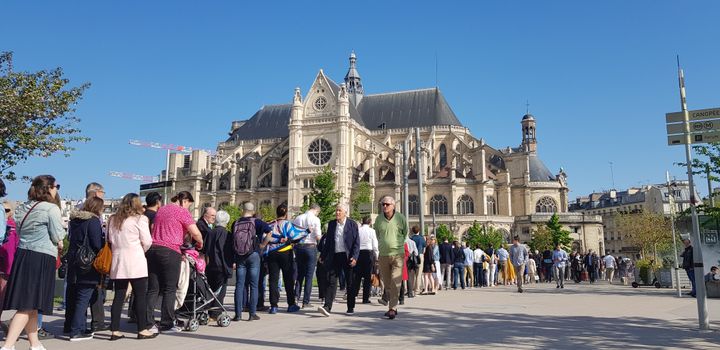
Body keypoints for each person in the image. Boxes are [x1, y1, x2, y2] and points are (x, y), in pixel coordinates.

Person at [1, 175, 66, 350]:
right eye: (56, 186)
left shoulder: (23, 207)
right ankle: (8, 345)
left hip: (23, 255)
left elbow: (19, 230)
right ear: (49, 188)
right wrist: (61, 240)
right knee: (28, 304)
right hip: (41, 256)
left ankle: (35, 343)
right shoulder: (51, 208)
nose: (57, 189)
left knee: (33, 303)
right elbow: (58, 235)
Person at [145, 191, 203, 333]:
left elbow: (153, 228)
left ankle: (147, 323)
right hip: (170, 251)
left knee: (153, 288)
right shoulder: (182, 212)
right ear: (184, 201)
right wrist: (200, 242)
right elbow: (195, 232)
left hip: (152, 249)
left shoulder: (162, 209)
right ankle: (166, 323)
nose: (188, 208)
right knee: (170, 288)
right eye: (189, 204)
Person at [107, 193, 156, 340]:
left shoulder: (113, 219)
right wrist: (140, 249)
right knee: (140, 296)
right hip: (135, 259)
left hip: (118, 260)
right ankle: (142, 329)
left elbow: (109, 239)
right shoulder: (140, 219)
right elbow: (147, 241)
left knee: (119, 296)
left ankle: (114, 330)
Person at [64, 197, 104, 341]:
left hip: (74, 260)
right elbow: (97, 243)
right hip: (87, 263)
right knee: (84, 297)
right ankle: (76, 331)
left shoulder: (75, 220)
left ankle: (76, 326)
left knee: (75, 296)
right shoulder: (93, 221)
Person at [232, 202, 272, 321]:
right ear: (253, 210)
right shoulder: (257, 222)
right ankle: (252, 314)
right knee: (254, 285)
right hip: (254, 254)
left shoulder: (236, 222)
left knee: (239, 285)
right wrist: (263, 245)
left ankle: (238, 314)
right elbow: (270, 232)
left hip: (240, 256)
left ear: (242, 210)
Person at [318, 204, 359, 316]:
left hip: (347, 256)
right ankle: (327, 306)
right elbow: (328, 243)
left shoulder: (352, 224)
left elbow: (356, 243)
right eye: (336, 210)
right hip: (334, 256)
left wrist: (354, 257)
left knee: (350, 282)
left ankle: (350, 307)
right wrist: (322, 256)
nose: (337, 213)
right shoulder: (331, 224)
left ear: (345, 212)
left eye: (339, 211)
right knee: (330, 280)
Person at [262, 204, 301, 314]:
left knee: (273, 279)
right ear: (286, 214)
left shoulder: (270, 224)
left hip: (272, 253)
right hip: (285, 252)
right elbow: (295, 236)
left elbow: (264, 236)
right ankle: (291, 304)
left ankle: (273, 305)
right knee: (288, 278)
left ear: (277, 213)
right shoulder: (287, 224)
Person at [374, 196, 407, 320]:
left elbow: (405, 233)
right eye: (383, 204)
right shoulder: (378, 219)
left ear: (393, 205)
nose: (384, 206)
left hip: (398, 254)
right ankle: (392, 305)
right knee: (387, 283)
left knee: (395, 280)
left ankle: (392, 308)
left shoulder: (400, 218)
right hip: (383, 254)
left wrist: (397, 244)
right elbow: (377, 234)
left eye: (387, 204)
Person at [292, 204, 322, 309]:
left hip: (299, 247)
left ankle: (296, 297)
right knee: (309, 275)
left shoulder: (298, 218)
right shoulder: (316, 219)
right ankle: (306, 301)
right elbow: (318, 237)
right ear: (316, 210)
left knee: (300, 274)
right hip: (310, 246)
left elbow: (293, 234)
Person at [0, 202, 19, 330]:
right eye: (4, 210)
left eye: (7, 210)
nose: (5, 213)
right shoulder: (12, 228)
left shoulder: (13, 228)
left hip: (6, 265)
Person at [355, 216, 378, 304]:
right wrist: (376, 255)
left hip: (359, 253)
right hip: (369, 253)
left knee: (358, 276)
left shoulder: (358, 230)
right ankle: (365, 298)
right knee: (368, 277)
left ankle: (354, 294)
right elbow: (374, 244)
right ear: (370, 222)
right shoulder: (372, 231)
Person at [409, 226, 426, 296]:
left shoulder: (411, 238)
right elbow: (424, 249)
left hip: (411, 257)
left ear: (412, 231)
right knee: (418, 274)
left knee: (411, 274)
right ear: (419, 230)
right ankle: (417, 290)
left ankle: (410, 290)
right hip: (420, 256)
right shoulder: (422, 239)